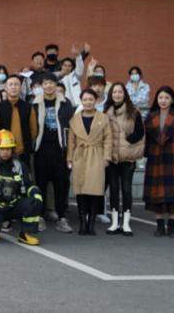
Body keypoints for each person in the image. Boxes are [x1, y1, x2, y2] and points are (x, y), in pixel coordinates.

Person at [0, 130, 43, 245]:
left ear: (12, 149)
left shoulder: (19, 165)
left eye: (8, 148)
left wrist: (35, 192)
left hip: (14, 205)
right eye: (2, 149)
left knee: (35, 199)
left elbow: (28, 184)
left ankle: (26, 234)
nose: (5, 152)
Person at [143, 86, 174, 237]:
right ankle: (160, 226)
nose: (163, 100)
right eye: (161, 97)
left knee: (173, 196)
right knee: (156, 195)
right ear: (156, 99)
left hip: (173, 160)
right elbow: (145, 140)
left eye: (167, 98)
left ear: (172, 100)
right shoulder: (150, 117)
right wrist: (142, 155)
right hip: (155, 160)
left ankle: (172, 227)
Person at [31, 72, 73, 233]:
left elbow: (70, 125)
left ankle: (62, 218)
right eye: (46, 83)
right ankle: (40, 217)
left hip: (60, 149)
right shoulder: (35, 103)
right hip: (41, 149)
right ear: (42, 86)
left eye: (51, 83)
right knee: (40, 184)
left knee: (61, 184)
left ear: (56, 85)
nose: (48, 86)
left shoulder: (65, 103)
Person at [67, 89, 112, 236]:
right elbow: (71, 141)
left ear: (96, 101)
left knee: (95, 189)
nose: (88, 102)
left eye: (90, 99)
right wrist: (70, 158)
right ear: (81, 101)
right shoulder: (75, 120)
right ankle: (83, 223)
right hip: (80, 155)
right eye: (85, 100)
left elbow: (108, 139)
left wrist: (106, 158)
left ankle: (91, 224)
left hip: (96, 155)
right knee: (80, 190)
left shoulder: (103, 118)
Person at [103, 82, 145, 236]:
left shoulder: (134, 111)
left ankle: (126, 222)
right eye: (114, 92)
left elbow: (140, 132)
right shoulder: (106, 112)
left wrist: (128, 141)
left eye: (120, 92)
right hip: (112, 157)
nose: (117, 94)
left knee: (126, 189)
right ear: (111, 94)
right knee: (113, 189)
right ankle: (115, 222)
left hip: (128, 156)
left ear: (125, 94)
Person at [0, 75, 36, 168]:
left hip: (23, 152)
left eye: (16, 84)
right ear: (5, 87)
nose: (13, 87)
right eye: (11, 84)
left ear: (21, 87)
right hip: (3, 152)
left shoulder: (28, 107)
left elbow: (33, 130)